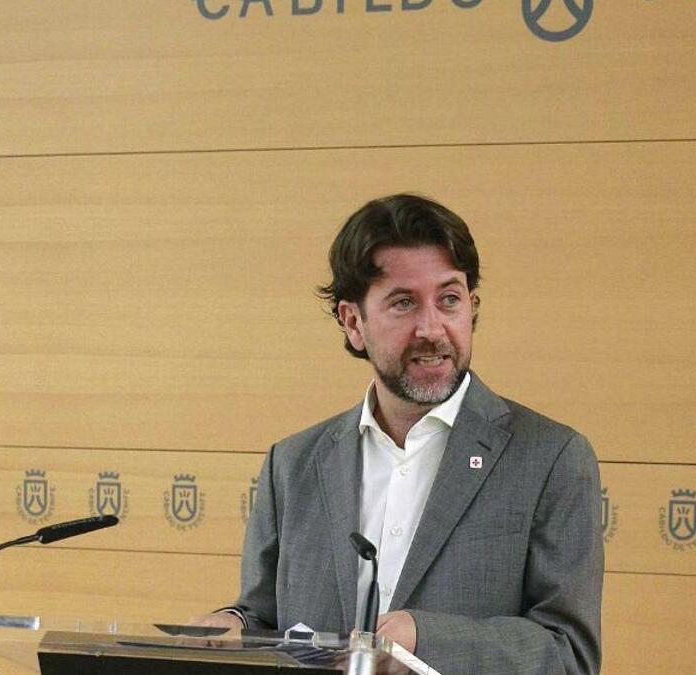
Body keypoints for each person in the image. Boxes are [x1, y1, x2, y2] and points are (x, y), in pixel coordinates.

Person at [200, 194, 603, 675]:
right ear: (354, 322)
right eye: (404, 303)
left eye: (449, 300)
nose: (432, 328)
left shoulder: (550, 458)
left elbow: (569, 654)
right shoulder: (292, 464)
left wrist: (424, 640)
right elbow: (265, 616)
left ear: (472, 307)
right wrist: (234, 624)